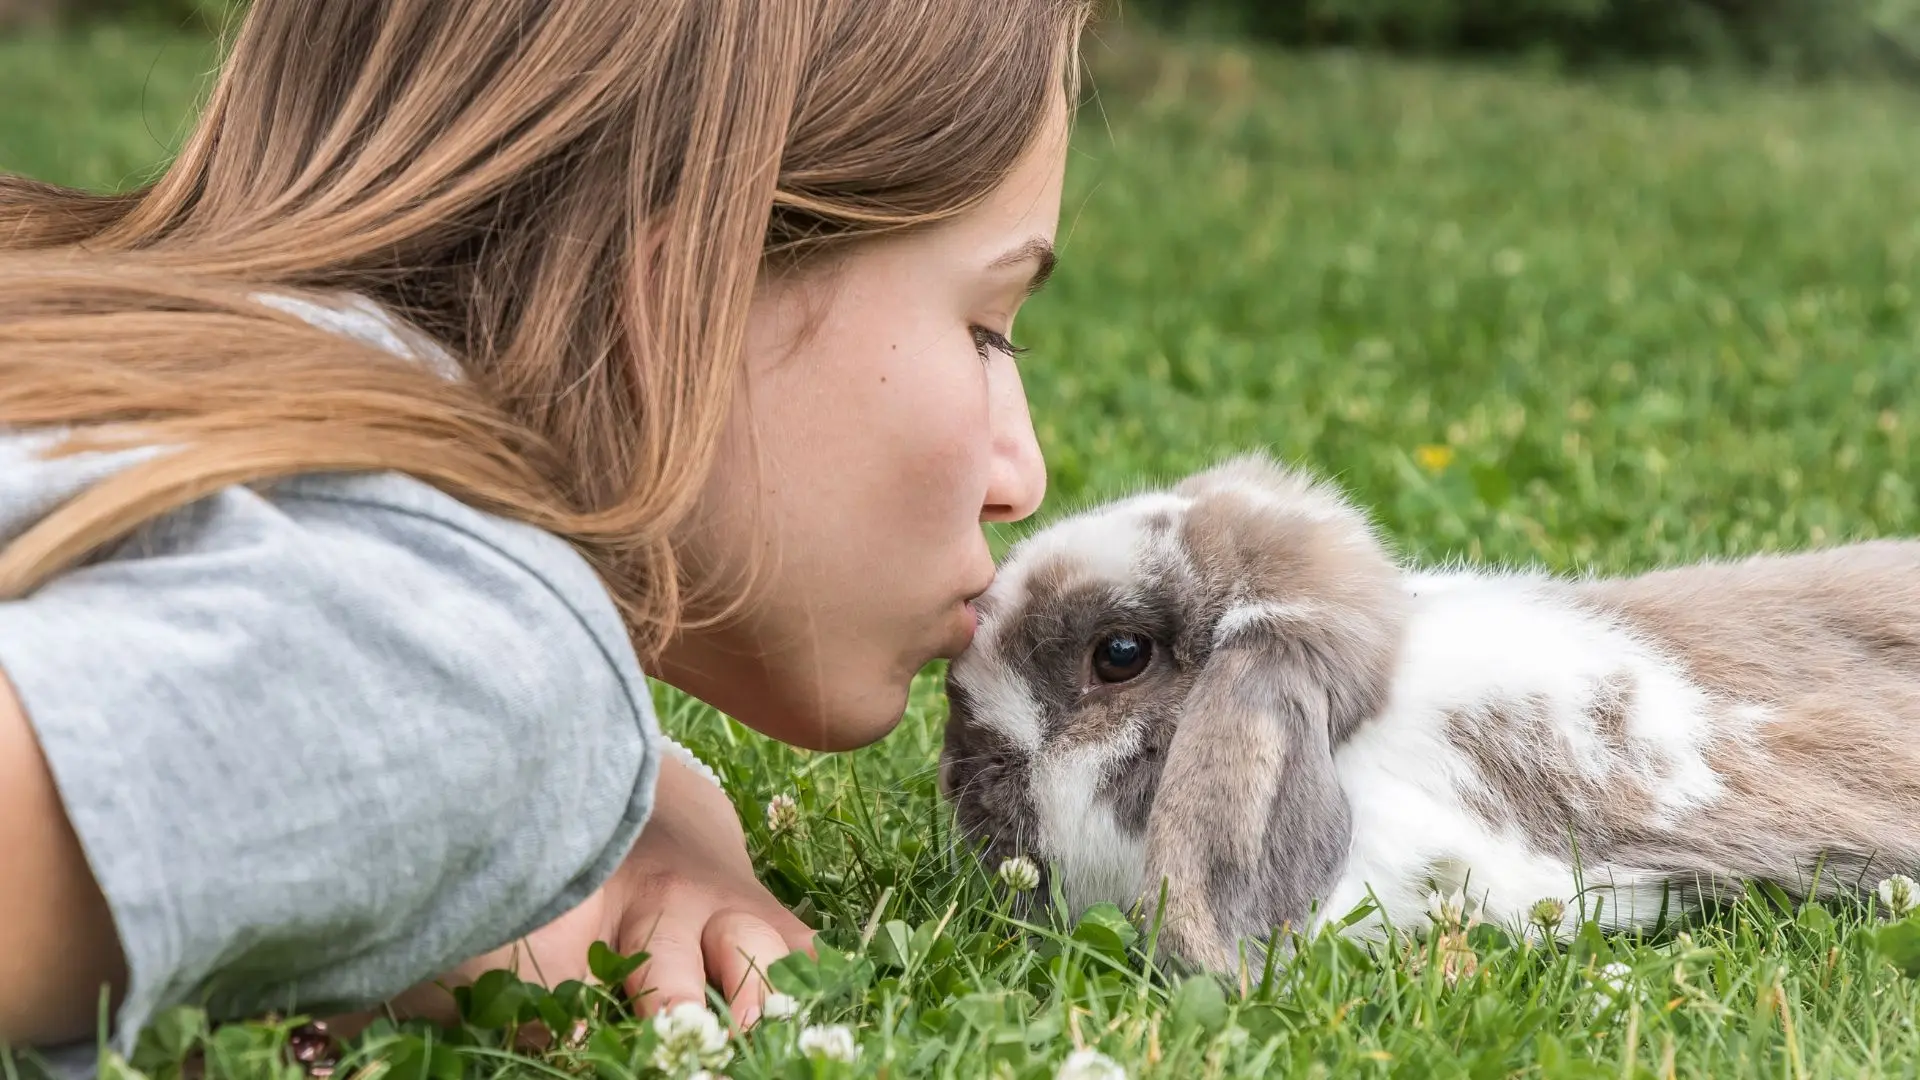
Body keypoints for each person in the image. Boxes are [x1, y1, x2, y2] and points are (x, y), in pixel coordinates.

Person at [0, 0, 1085, 1070]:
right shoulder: (471, 653)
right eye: (985, 332)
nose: (1022, 476)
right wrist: (512, 770)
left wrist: (624, 810)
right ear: (682, 309)